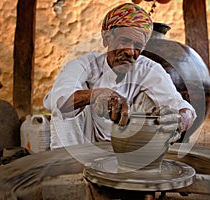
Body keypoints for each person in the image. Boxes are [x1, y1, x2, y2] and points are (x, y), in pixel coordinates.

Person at [43, 3, 196, 149]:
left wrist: (180, 121)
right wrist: (96, 95)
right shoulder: (85, 64)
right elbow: (57, 101)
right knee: (70, 101)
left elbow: (182, 107)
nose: (130, 51)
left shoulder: (149, 69)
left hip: (132, 147)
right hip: (86, 145)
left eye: (138, 46)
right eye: (125, 41)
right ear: (107, 38)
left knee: (161, 106)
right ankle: (66, 166)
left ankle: (144, 163)